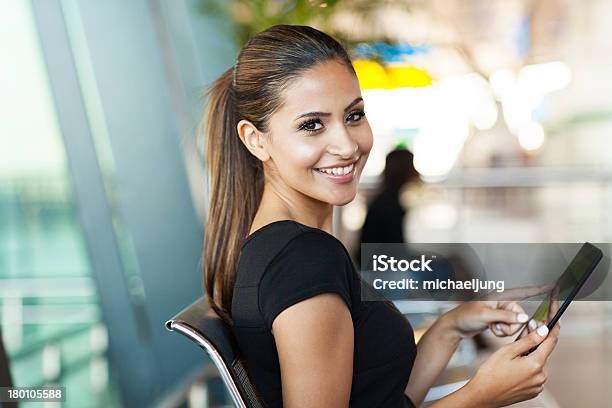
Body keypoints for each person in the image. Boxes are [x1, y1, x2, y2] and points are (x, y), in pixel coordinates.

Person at [201, 24, 559, 408]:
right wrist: (480, 396)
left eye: (354, 116)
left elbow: (382, 397)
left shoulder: (280, 247)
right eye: (312, 125)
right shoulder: (303, 262)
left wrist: (450, 327)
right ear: (256, 139)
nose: (347, 144)